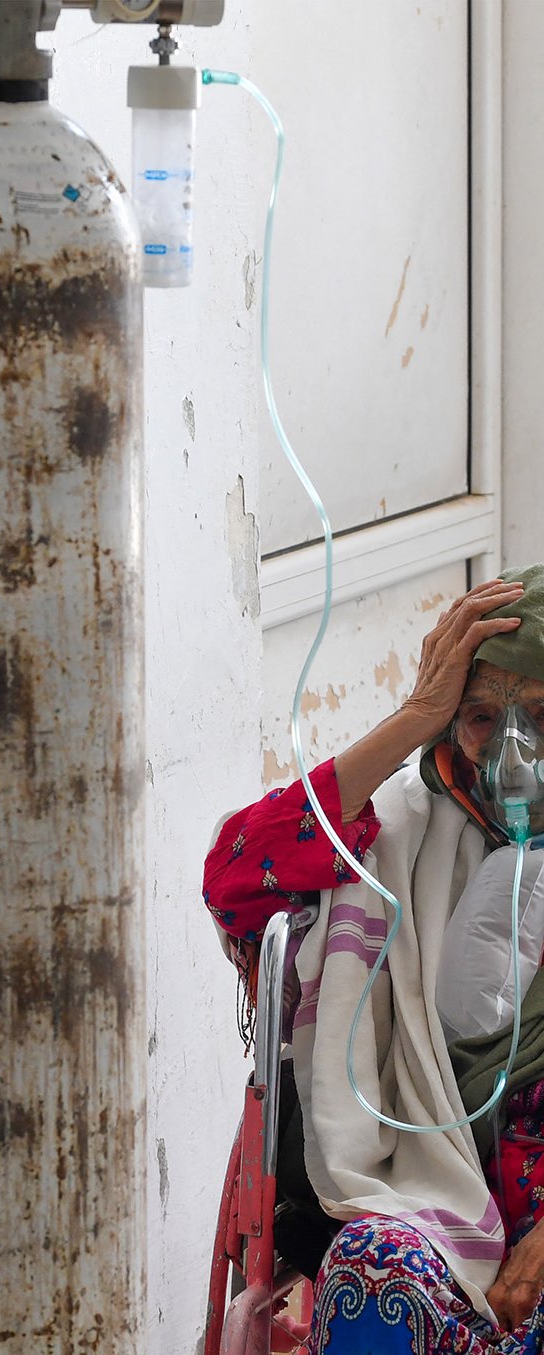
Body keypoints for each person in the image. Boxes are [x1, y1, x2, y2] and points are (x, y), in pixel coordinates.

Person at [204, 565, 544, 1352]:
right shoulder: (393, 832)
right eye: (481, 717)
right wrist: (415, 714)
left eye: (538, 715)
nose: (512, 754)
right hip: (426, 1216)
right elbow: (233, 877)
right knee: (367, 1273)